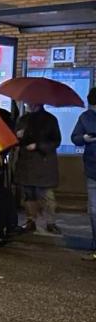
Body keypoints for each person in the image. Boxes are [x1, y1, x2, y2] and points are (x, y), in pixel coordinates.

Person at [14, 102, 60, 234]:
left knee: (46, 195)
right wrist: (18, 136)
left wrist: (38, 145)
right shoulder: (23, 119)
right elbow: (16, 140)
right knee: (28, 195)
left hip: (44, 163)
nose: (28, 104)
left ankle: (50, 222)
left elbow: (56, 140)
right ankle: (30, 221)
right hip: (26, 163)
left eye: (31, 101)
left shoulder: (50, 119)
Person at [71, 88, 96, 258]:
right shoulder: (85, 117)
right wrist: (84, 139)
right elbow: (75, 137)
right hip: (92, 168)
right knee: (94, 210)